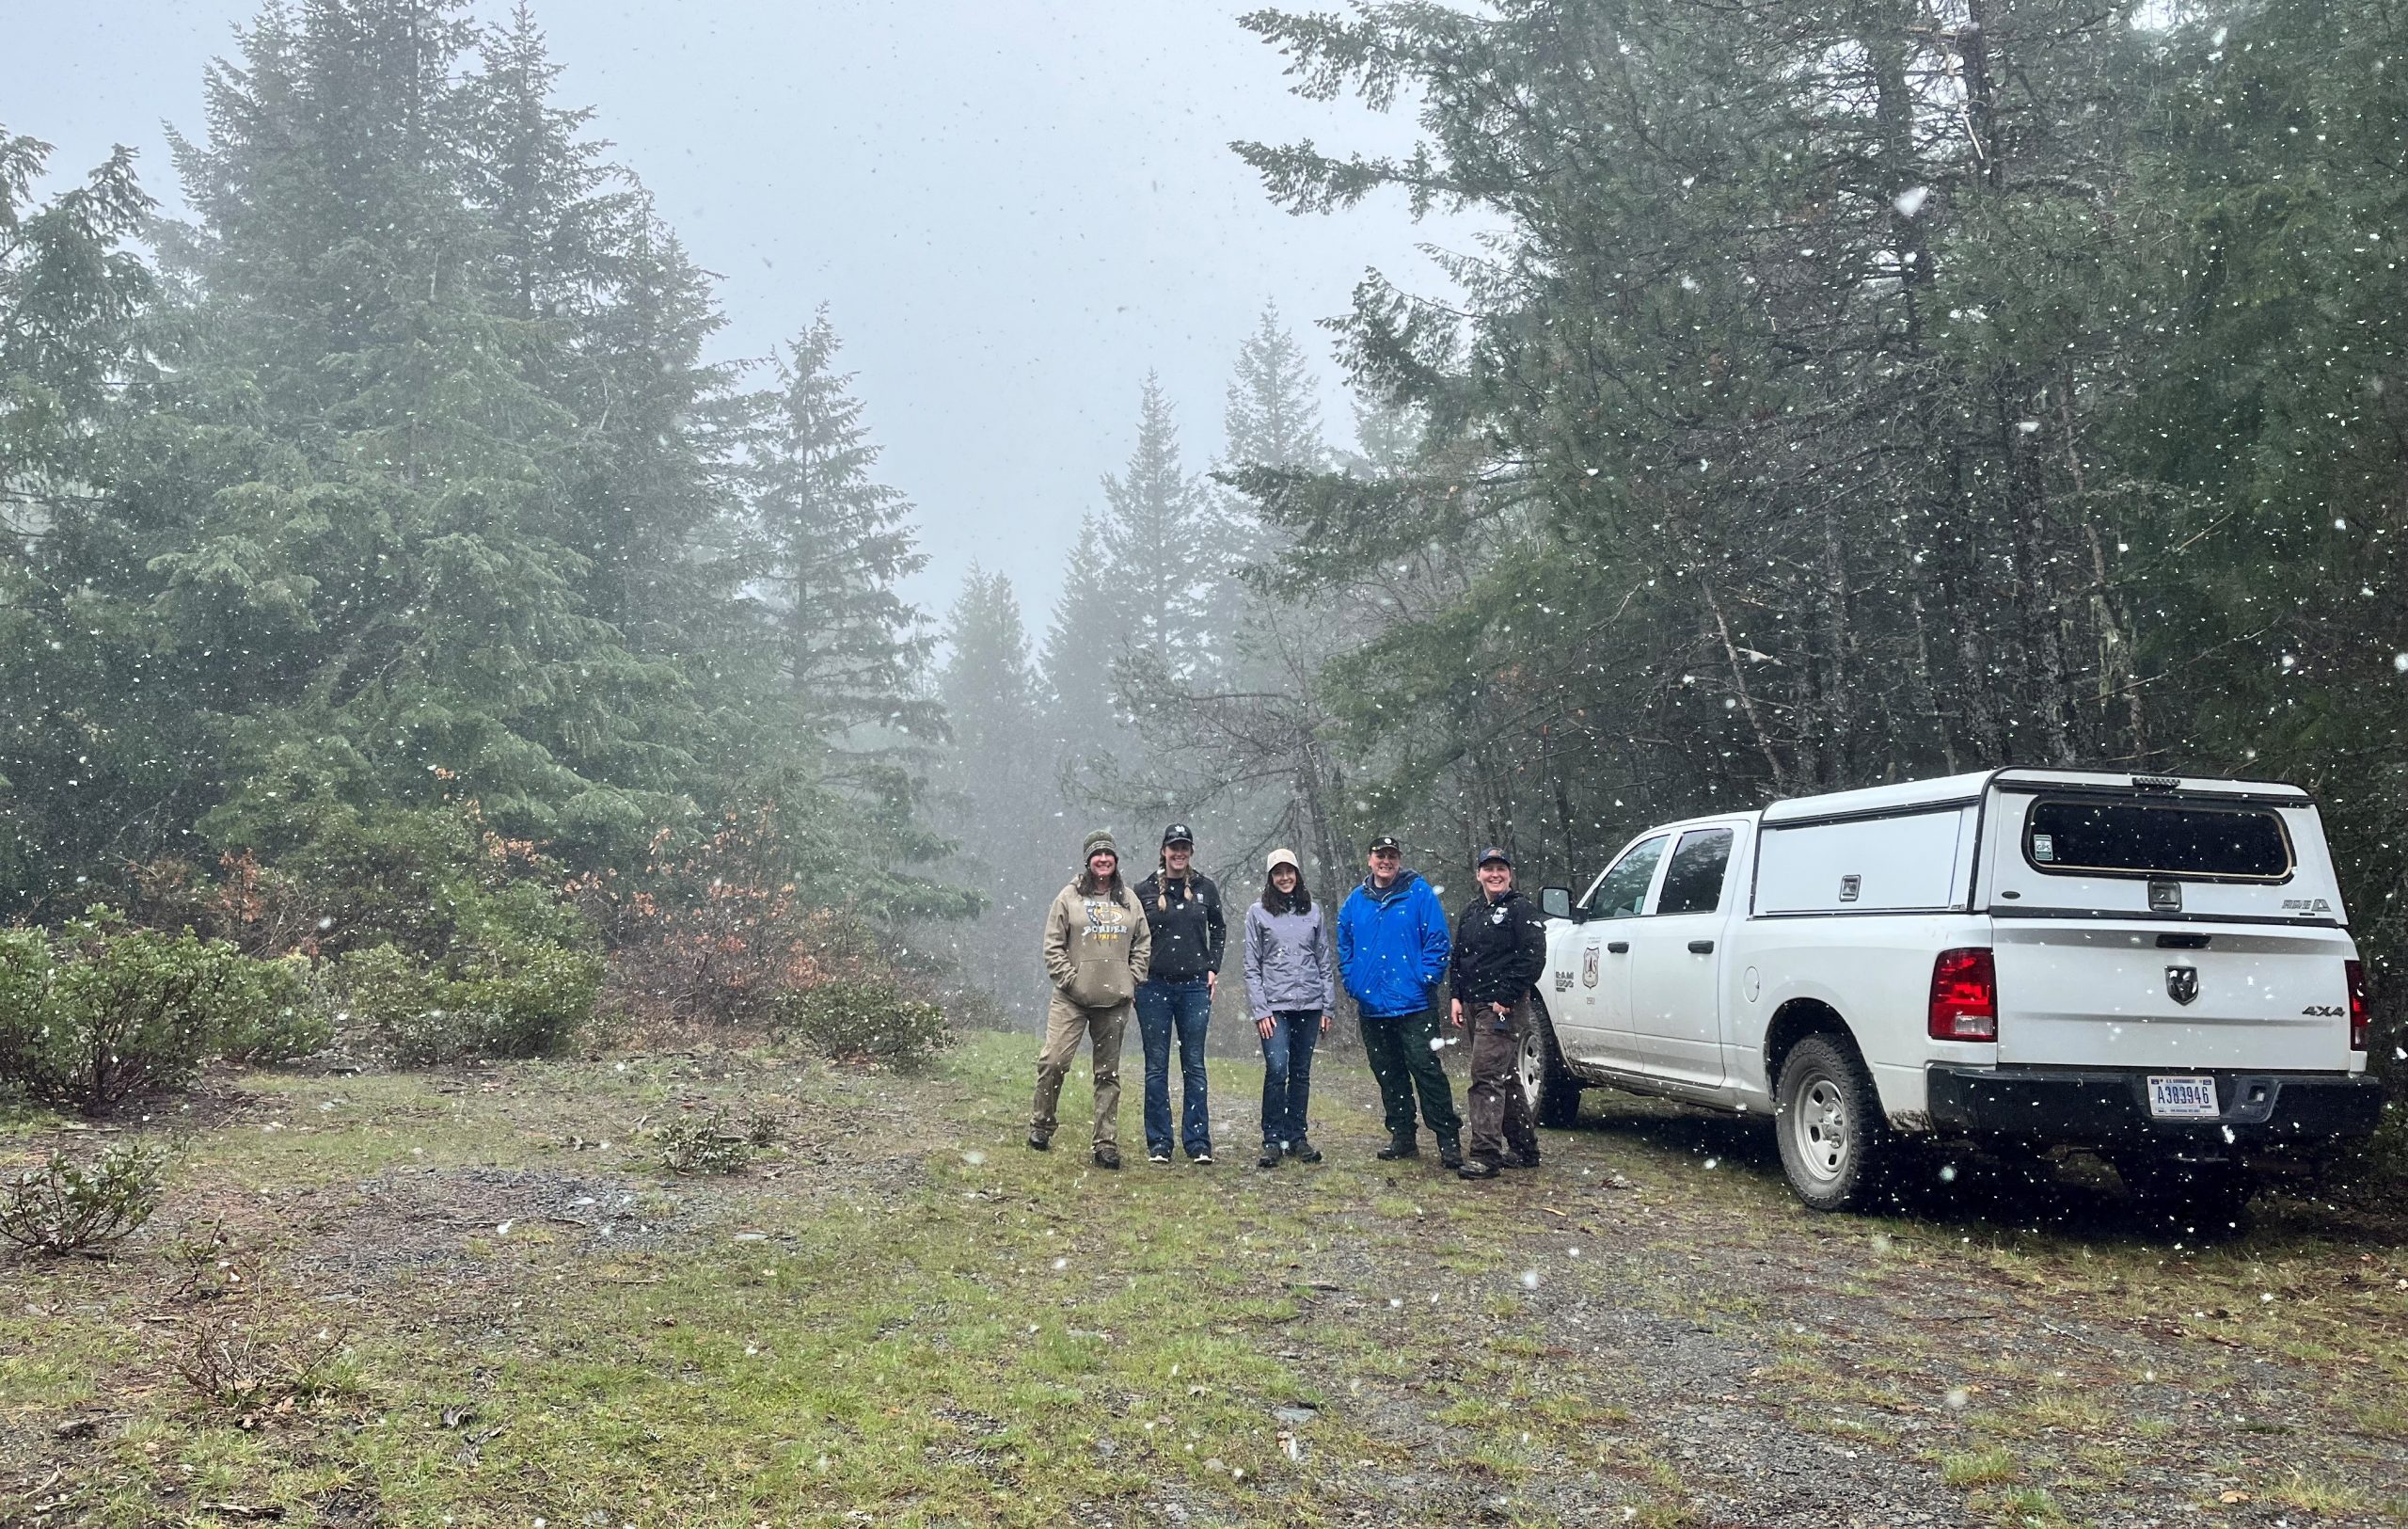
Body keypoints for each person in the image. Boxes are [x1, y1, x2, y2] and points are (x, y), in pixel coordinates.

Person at [1337, 834, 1463, 1168]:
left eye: (1391, 855)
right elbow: (1345, 946)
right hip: (1373, 1006)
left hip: (1415, 1004)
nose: (1386, 861)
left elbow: (1438, 941)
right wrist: (1354, 983)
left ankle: (1447, 1139)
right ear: (1370, 859)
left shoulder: (1418, 893)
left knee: (1426, 1070)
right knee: (1388, 1072)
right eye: (1380, 855)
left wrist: (1424, 979)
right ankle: (1402, 1136)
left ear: (1399, 859)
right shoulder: (1355, 901)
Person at [1034, 830, 1151, 1169]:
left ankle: (1105, 1143)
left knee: (1108, 1074)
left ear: (1115, 861)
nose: (1103, 860)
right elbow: (1053, 945)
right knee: (1054, 1061)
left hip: (1114, 1001)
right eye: (1097, 855)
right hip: (1071, 999)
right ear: (1087, 860)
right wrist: (1070, 981)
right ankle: (1042, 1124)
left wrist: (1131, 978)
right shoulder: (1068, 898)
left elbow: (1143, 943)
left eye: (1108, 855)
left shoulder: (1129, 899)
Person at [1448, 846, 1550, 1180]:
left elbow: (1534, 957)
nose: (1495, 875)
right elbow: (1459, 957)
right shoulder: (1472, 912)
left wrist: (1506, 995)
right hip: (1474, 1005)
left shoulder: (1521, 910)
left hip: (1503, 1008)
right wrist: (1456, 996)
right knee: (1507, 1078)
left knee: (1485, 1078)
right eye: (1488, 869)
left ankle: (1485, 1154)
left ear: (1509, 874)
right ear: (1478, 874)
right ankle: (1524, 1149)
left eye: (1500, 869)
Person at [1132, 822, 1226, 1165]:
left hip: (1194, 988)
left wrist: (1213, 966)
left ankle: (1198, 1142)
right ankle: (1159, 1143)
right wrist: (1133, 975)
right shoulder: (1143, 891)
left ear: (1191, 851)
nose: (1179, 852)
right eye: (1174, 846)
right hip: (1152, 987)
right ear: (1164, 850)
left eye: (1184, 846)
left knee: (1194, 1065)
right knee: (1156, 1066)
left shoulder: (1205, 888)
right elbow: (1133, 936)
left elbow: (1218, 928)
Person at [1242, 848, 1333, 1170]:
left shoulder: (1314, 912)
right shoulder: (1258, 913)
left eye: (1289, 871)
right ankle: (1272, 1138)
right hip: (1274, 1008)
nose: (1284, 878)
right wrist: (1261, 1010)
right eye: (1278, 872)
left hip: (1310, 1004)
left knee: (1301, 1073)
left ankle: (1297, 1137)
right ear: (1270, 877)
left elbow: (1324, 962)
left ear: (1297, 874)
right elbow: (1251, 966)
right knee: (1277, 1069)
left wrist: (1328, 1007)